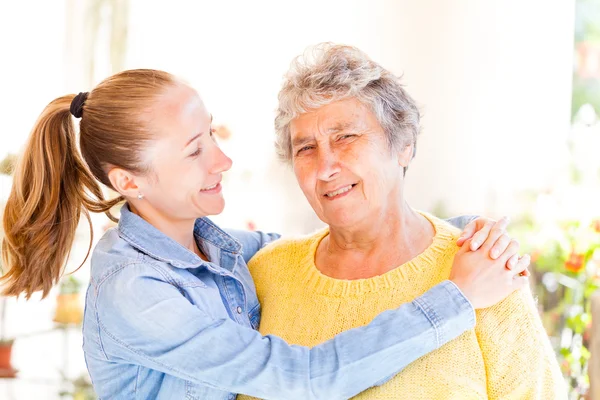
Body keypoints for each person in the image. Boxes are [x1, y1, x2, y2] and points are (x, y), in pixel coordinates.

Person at [1, 69, 528, 400]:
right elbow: (306, 380)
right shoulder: (136, 291)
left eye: (211, 132)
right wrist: (456, 297)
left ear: (404, 144)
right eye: (193, 149)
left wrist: (465, 234)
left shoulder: (222, 250)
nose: (223, 159)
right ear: (128, 181)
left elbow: (344, 238)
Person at [239, 44, 566, 400]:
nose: (325, 167)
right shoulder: (266, 274)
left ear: (404, 145)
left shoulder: (484, 273)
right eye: (306, 148)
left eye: (345, 137)